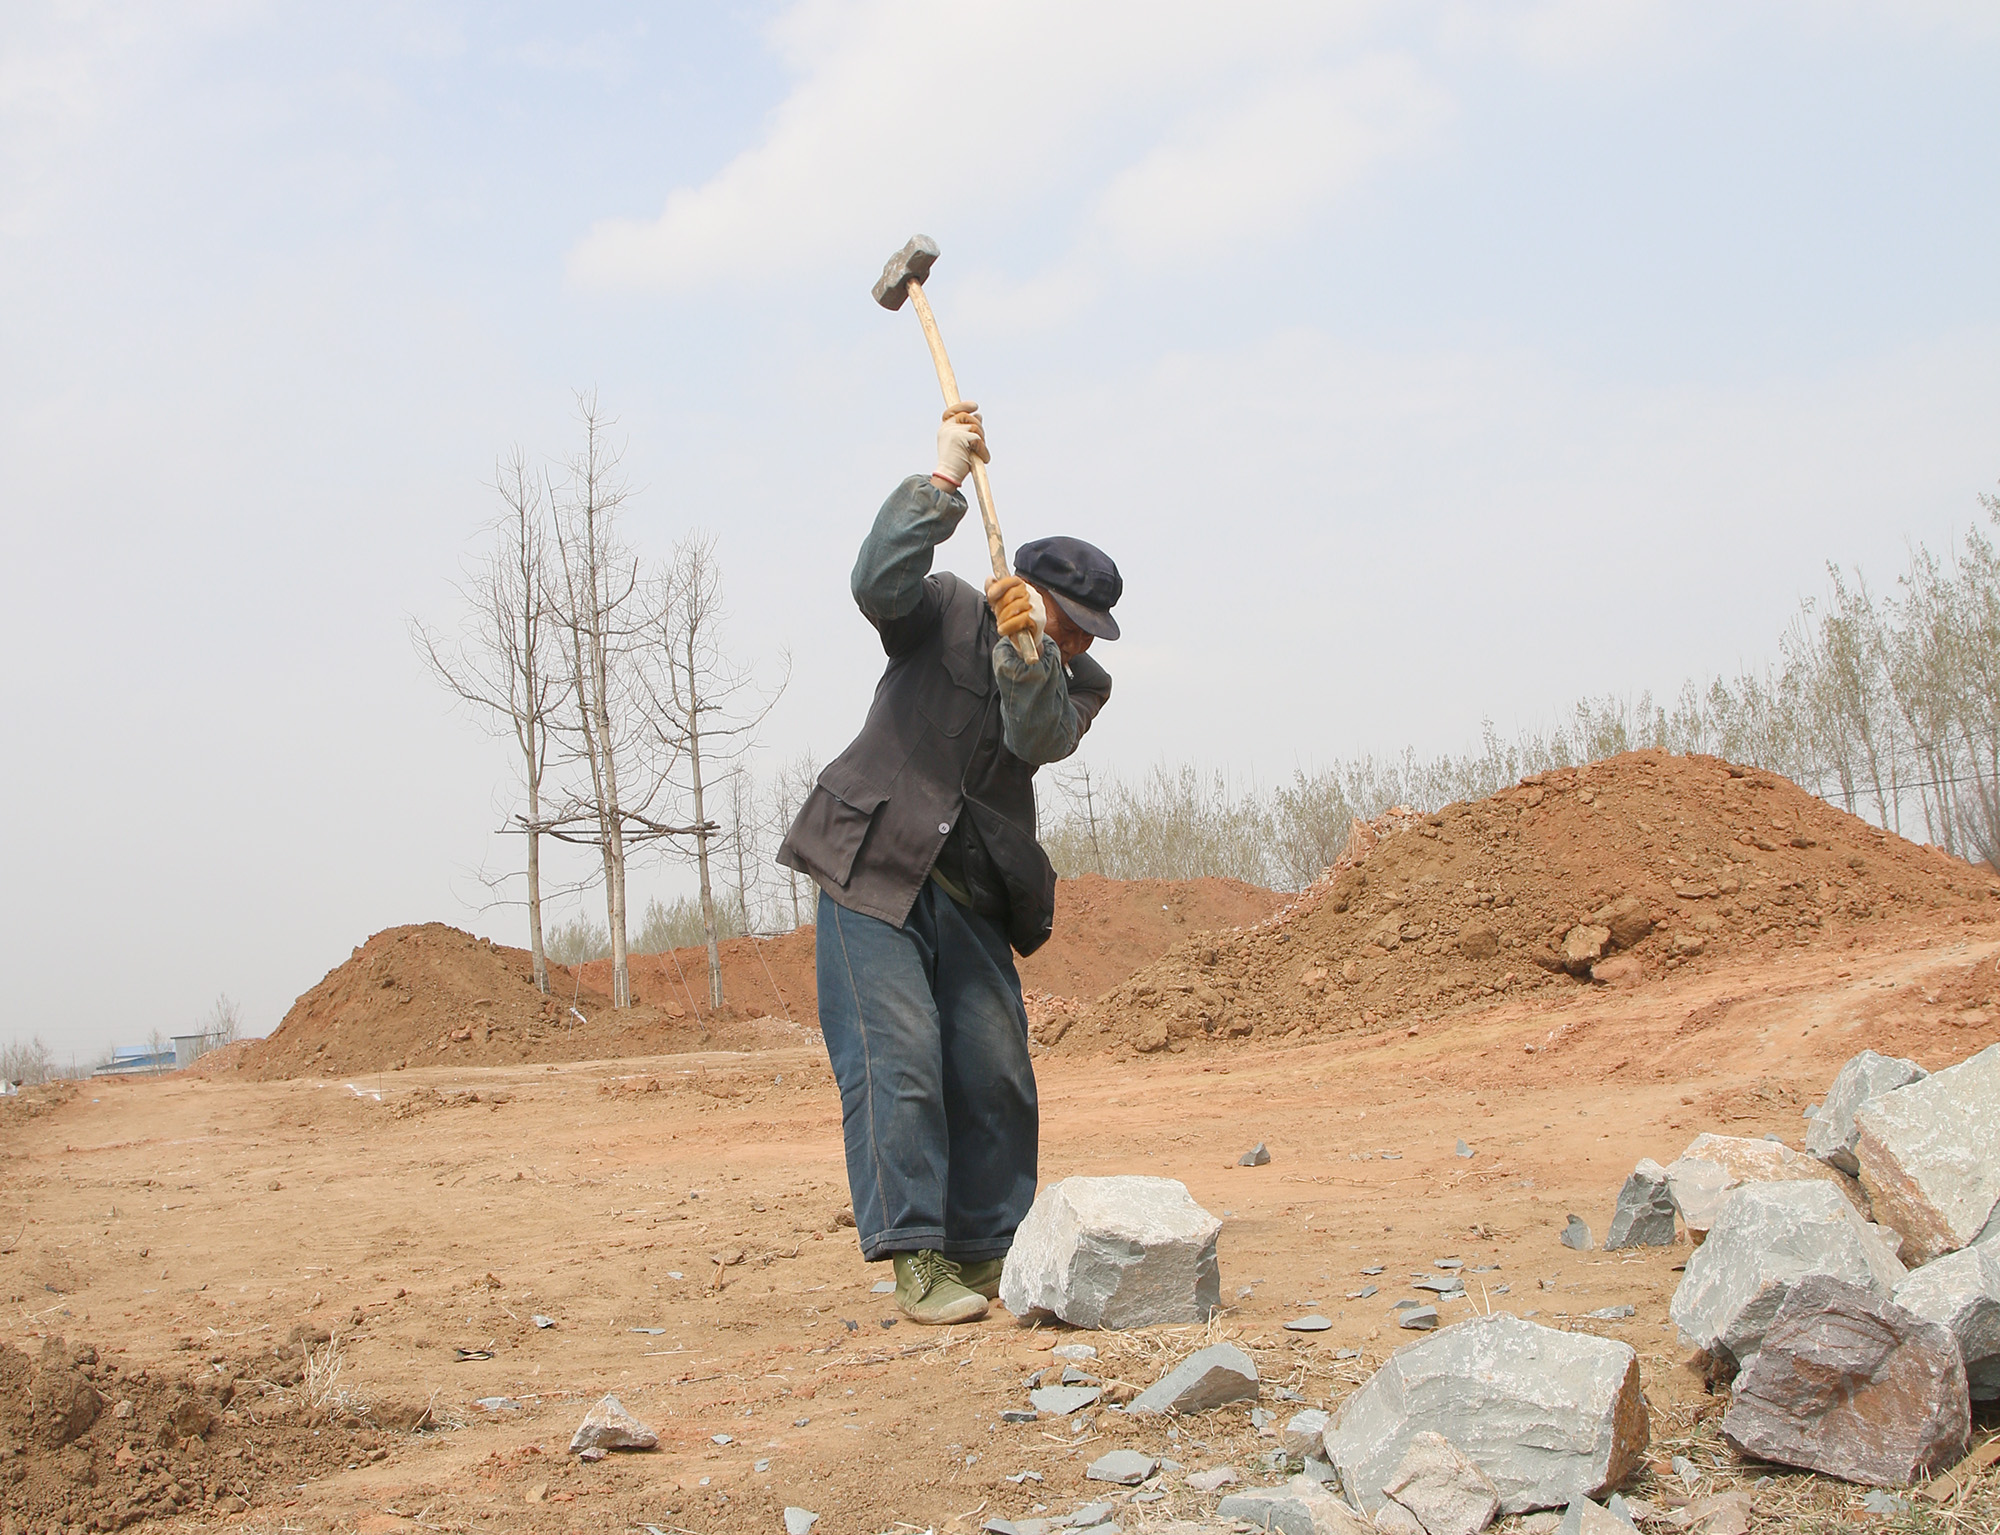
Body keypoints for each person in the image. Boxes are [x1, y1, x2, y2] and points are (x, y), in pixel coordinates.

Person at [777, 402, 1122, 1324]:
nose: (1083, 639)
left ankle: (995, 1251)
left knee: (995, 1066)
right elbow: (874, 580)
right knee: (900, 1063)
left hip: (972, 893)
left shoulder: (1079, 681)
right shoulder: (942, 611)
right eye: (1071, 619)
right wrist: (942, 483)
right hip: (871, 870)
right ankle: (917, 1258)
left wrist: (1030, 654)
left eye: (1092, 628)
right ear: (1024, 587)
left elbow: (1039, 734)